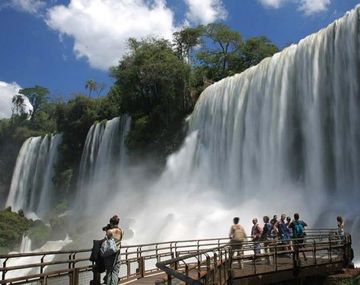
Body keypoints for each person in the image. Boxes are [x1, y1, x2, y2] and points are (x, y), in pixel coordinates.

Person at [103, 215, 123, 285]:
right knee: (115, 272)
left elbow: (105, 242)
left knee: (109, 272)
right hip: (118, 253)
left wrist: (107, 230)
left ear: (111, 223)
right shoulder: (121, 231)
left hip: (110, 254)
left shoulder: (109, 231)